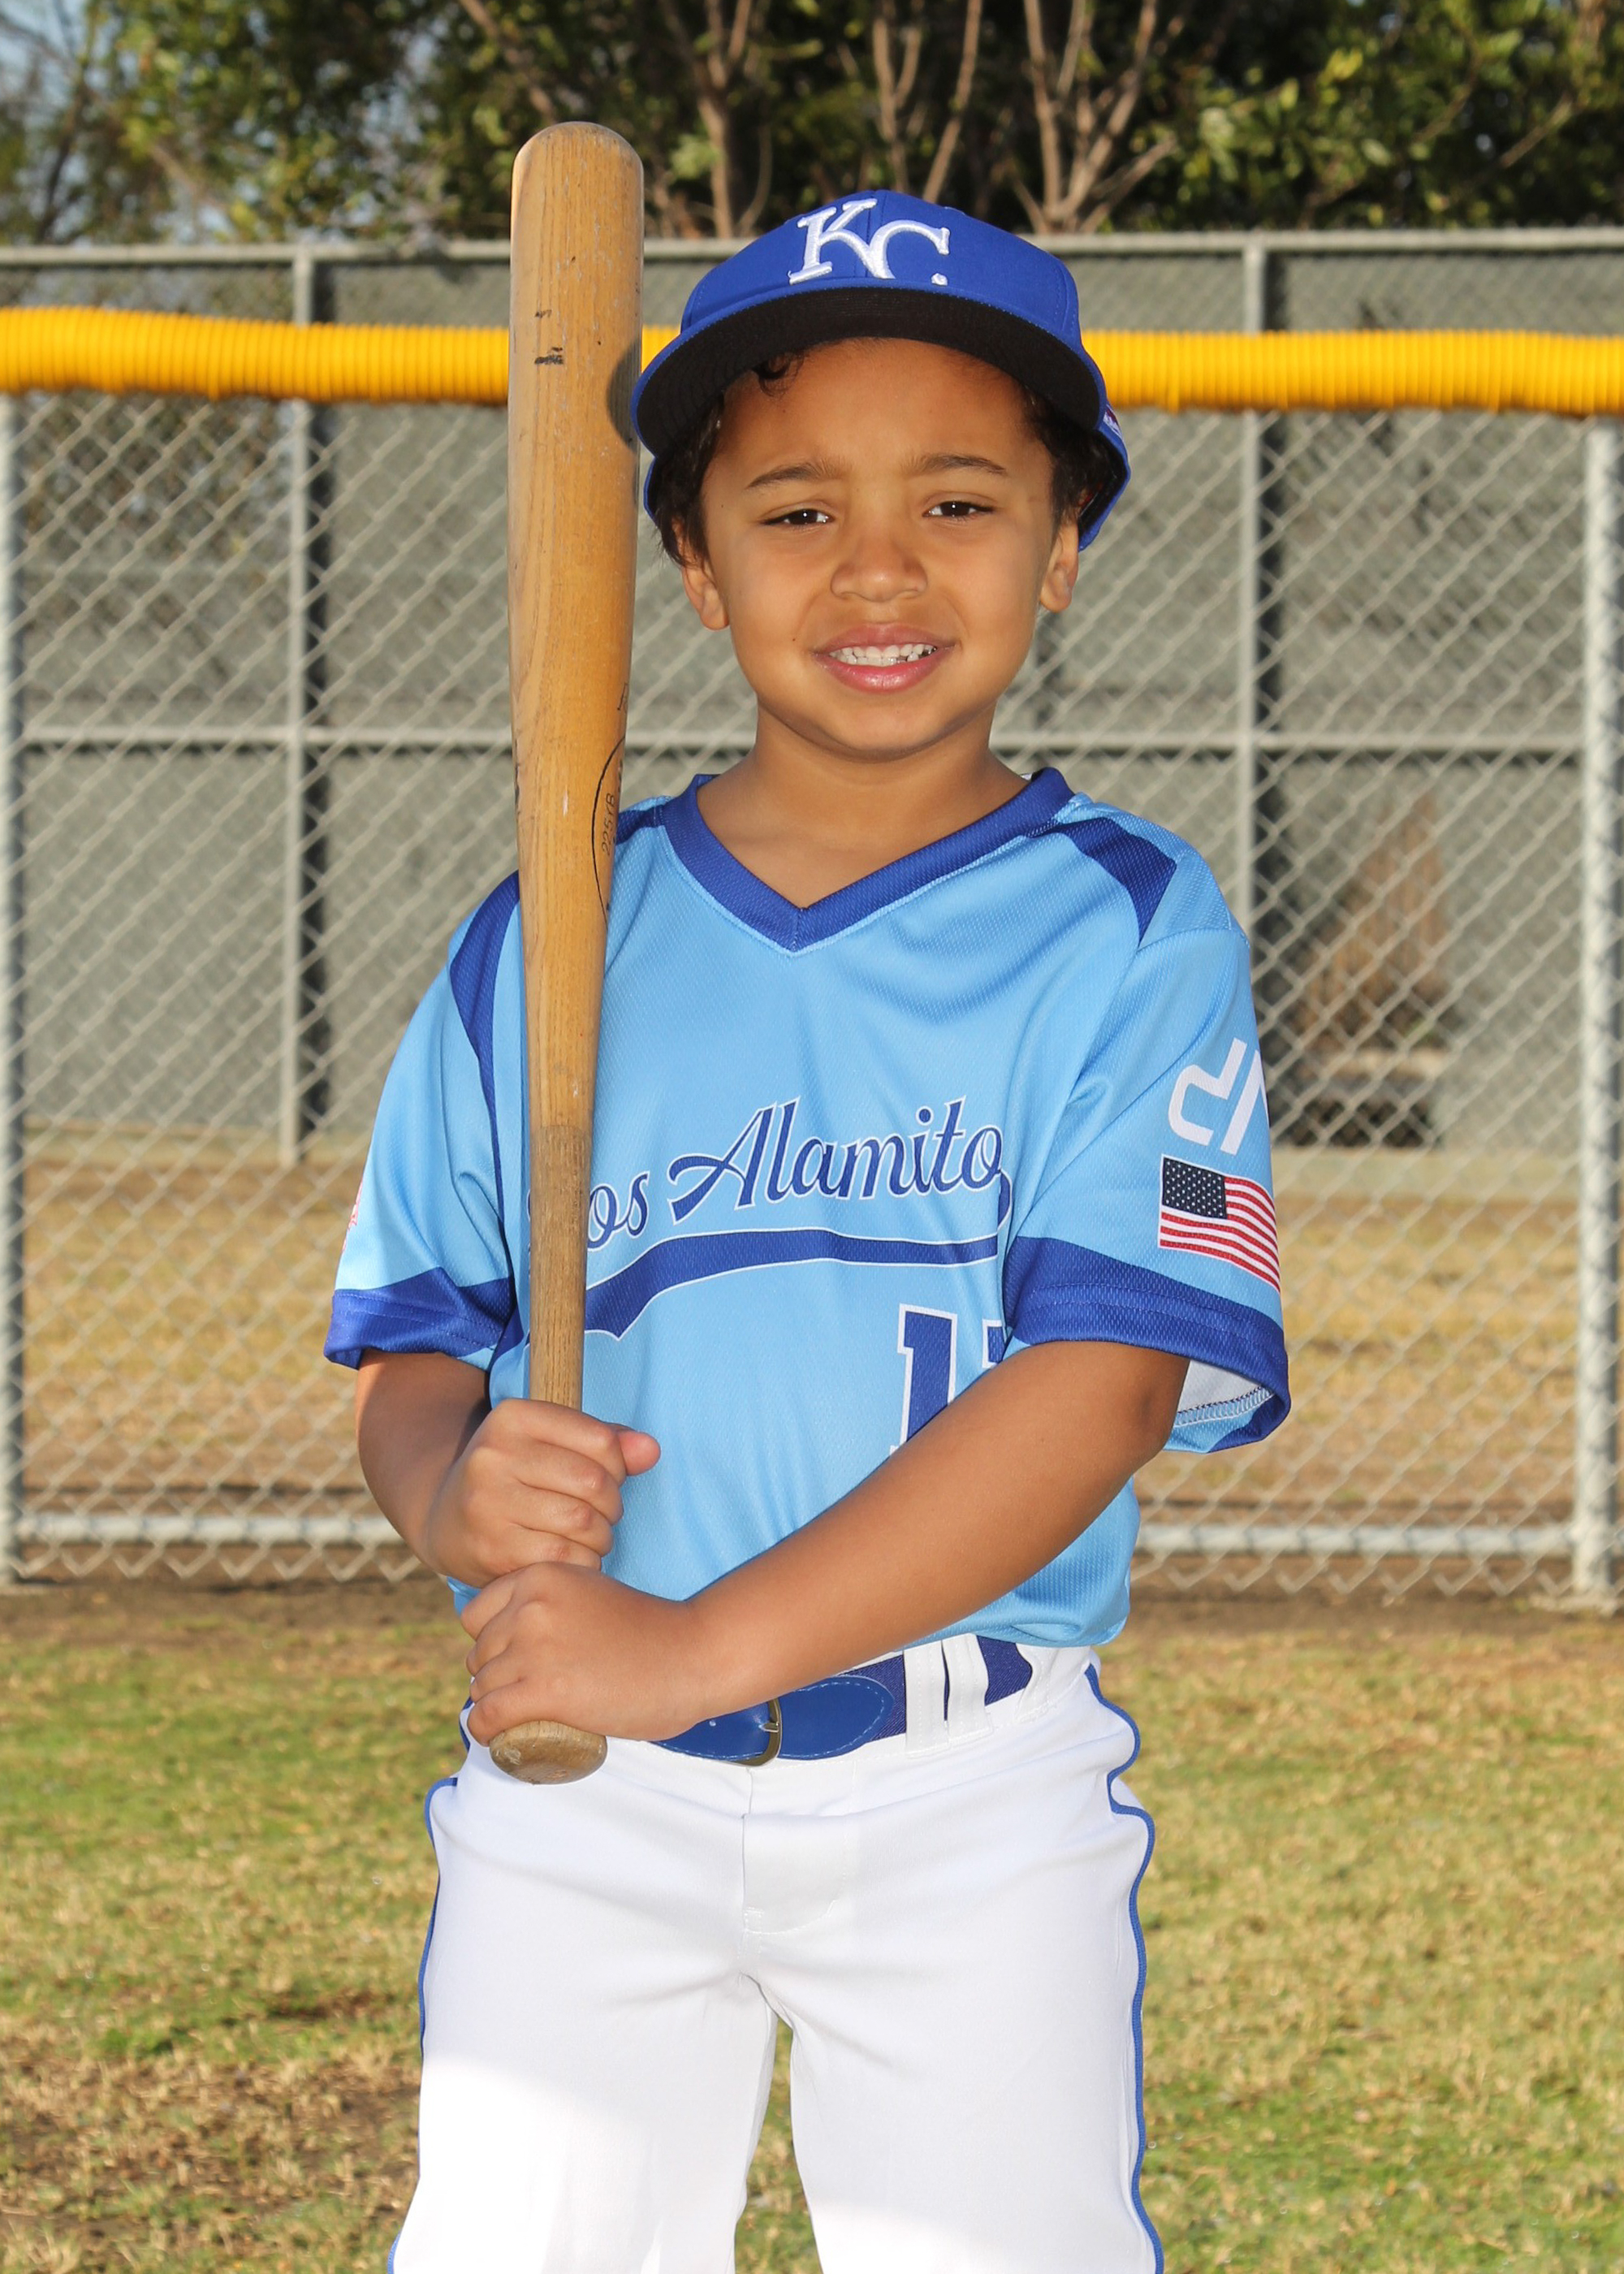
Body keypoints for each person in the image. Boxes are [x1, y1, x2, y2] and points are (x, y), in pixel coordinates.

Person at [327, 189, 1289, 2274]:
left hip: (965, 1785)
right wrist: (450, 1490)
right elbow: (417, 1350)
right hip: (588, 1794)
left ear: (1061, 541)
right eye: (790, 510)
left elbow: (1106, 1384)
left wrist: (698, 1648)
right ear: (686, 561)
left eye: (956, 501)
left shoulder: (1126, 922)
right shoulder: (553, 932)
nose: (875, 568)